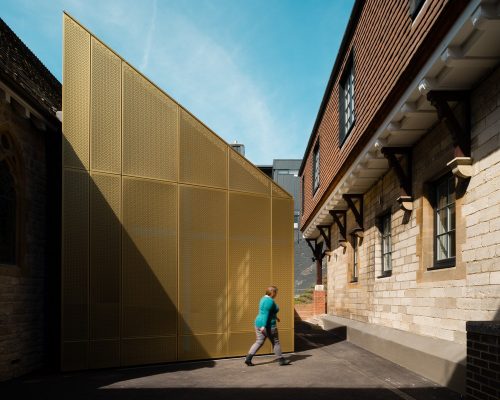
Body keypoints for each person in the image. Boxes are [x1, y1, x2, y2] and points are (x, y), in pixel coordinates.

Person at [244, 285, 291, 366]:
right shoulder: (269, 301)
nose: (276, 294)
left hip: (258, 323)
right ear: (272, 292)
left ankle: (248, 358)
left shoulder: (263, 299)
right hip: (267, 325)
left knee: (259, 341)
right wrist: (263, 326)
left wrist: (276, 317)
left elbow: (268, 312)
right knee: (276, 342)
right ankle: (281, 360)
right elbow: (265, 314)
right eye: (276, 292)